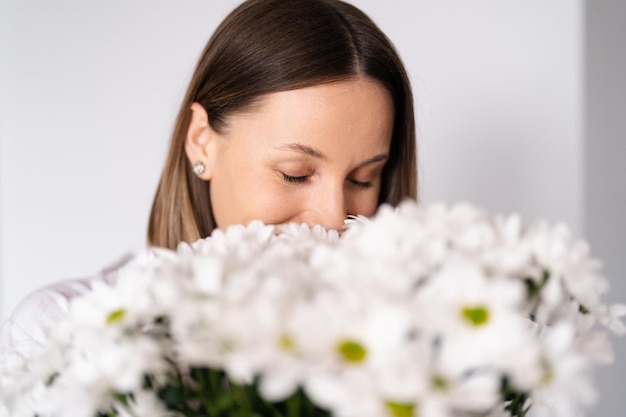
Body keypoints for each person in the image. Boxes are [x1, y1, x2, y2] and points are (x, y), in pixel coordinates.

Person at [0, 0, 416, 369]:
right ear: (202, 141)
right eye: (295, 173)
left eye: (363, 179)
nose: (332, 218)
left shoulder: (418, 335)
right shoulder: (59, 335)